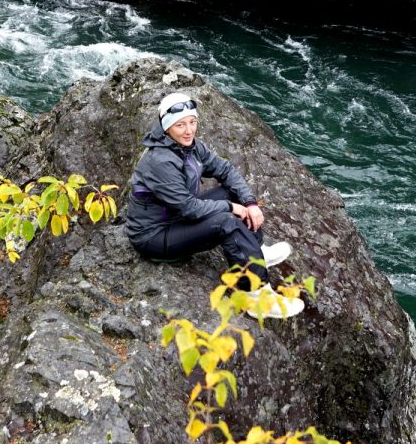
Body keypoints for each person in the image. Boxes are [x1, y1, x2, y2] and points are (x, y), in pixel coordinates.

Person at [125, 91, 303, 319]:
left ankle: (255, 253)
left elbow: (225, 170)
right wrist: (230, 208)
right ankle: (256, 297)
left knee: (234, 193)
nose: (189, 130)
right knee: (226, 221)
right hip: (155, 235)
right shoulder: (160, 161)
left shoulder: (190, 147)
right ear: (166, 128)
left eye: (192, 122)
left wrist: (249, 203)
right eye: (180, 125)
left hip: (177, 217)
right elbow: (188, 207)